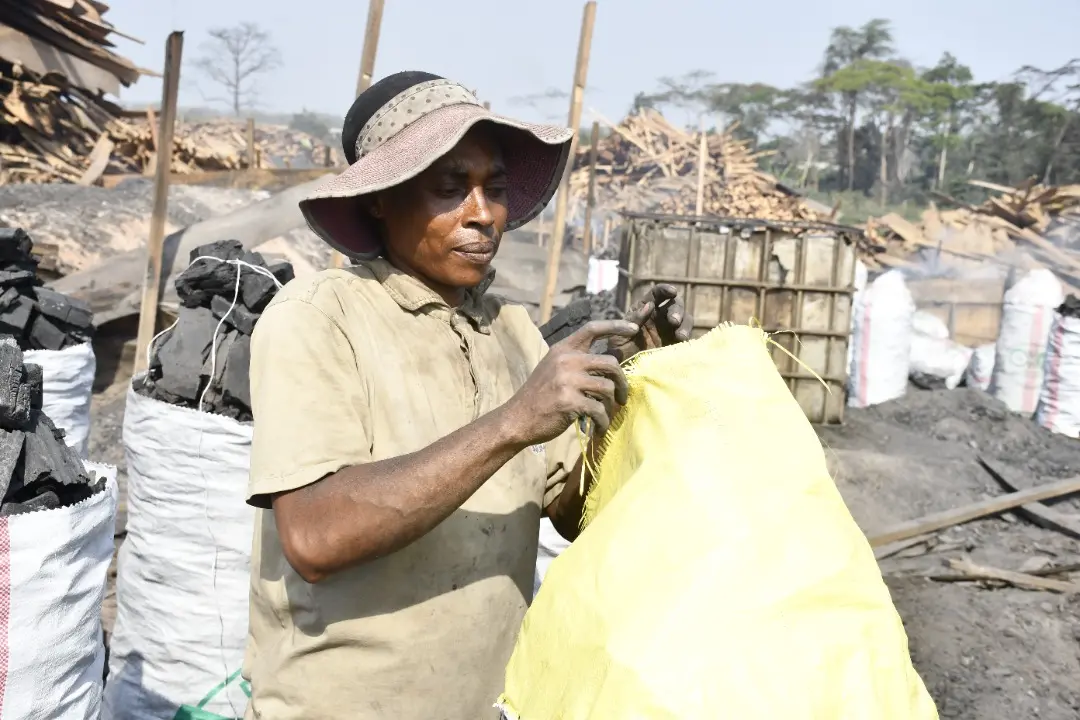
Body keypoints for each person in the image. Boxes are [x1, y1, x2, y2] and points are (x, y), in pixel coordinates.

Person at [242, 71, 693, 720]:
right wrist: (513, 421)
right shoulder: (321, 316)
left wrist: (643, 388)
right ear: (381, 198)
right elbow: (315, 536)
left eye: (496, 188)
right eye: (450, 188)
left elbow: (569, 510)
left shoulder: (510, 331)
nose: (482, 214)